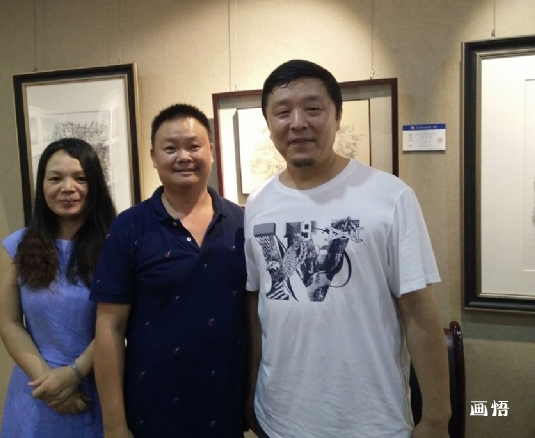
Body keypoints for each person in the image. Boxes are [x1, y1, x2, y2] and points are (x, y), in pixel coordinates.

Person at [244, 60, 451, 438]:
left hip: (370, 422)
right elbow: (258, 309)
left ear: (337, 116)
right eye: (282, 112)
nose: (297, 123)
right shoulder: (257, 204)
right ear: (270, 124)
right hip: (279, 419)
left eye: (313, 108)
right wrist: (250, 394)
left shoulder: (389, 196)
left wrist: (437, 418)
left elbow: (419, 311)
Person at [91, 103, 247, 438]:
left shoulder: (243, 223)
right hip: (152, 407)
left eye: (193, 146)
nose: (184, 157)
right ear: (153, 156)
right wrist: (114, 425)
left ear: (211, 151)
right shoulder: (129, 227)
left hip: (227, 404)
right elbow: (109, 327)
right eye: (170, 148)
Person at [0, 138, 117, 438]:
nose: (68, 188)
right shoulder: (16, 246)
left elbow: (120, 323)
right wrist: (50, 383)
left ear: (95, 185)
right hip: (36, 392)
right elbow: (10, 324)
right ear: (42, 186)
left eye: (80, 178)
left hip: (98, 387)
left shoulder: (116, 245)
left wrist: (74, 374)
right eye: (55, 178)